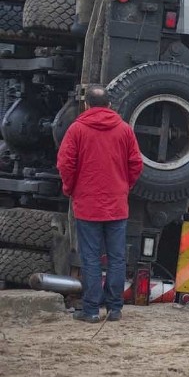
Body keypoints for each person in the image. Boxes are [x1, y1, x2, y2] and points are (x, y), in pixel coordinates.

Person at [58, 84, 143, 323]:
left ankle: (91, 310)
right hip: (116, 204)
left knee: (91, 258)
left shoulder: (77, 130)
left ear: (86, 104)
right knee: (116, 258)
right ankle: (115, 309)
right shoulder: (124, 130)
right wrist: (124, 186)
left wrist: (70, 189)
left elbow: (65, 164)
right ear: (109, 105)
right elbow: (136, 163)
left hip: (88, 205)